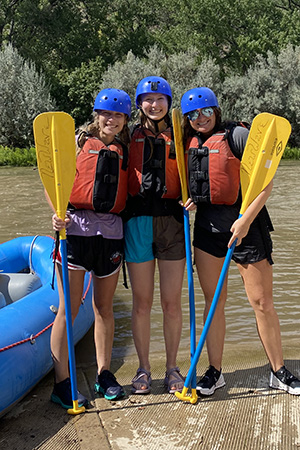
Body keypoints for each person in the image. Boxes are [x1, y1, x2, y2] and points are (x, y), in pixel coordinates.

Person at [181, 87, 300, 396]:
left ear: (216, 110)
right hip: (208, 230)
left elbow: (265, 182)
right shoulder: (190, 142)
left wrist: (245, 220)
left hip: (247, 225)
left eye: (206, 111)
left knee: (262, 302)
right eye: (193, 115)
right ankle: (215, 371)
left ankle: (279, 370)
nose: (200, 118)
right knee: (214, 302)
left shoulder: (237, 136)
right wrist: (193, 199)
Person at [48, 88, 131, 409]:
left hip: (110, 235)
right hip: (75, 233)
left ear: (125, 120)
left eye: (119, 115)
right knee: (68, 311)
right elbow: (51, 178)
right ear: (97, 115)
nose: (112, 120)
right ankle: (62, 383)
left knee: (104, 310)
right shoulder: (79, 143)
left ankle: (104, 374)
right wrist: (56, 214)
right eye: (106, 114)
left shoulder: (125, 149)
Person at [124, 76, 186, 394]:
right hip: (137, 223)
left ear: (168, 103)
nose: (154, 104)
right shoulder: (127, 133)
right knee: (142, 303)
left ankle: (172, 368)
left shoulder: (181, 134)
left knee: (172, 303)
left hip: (173, 224)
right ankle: (143, 369)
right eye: (148, 99)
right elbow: (99, 134)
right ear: (139, 104)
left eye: (161, 98)